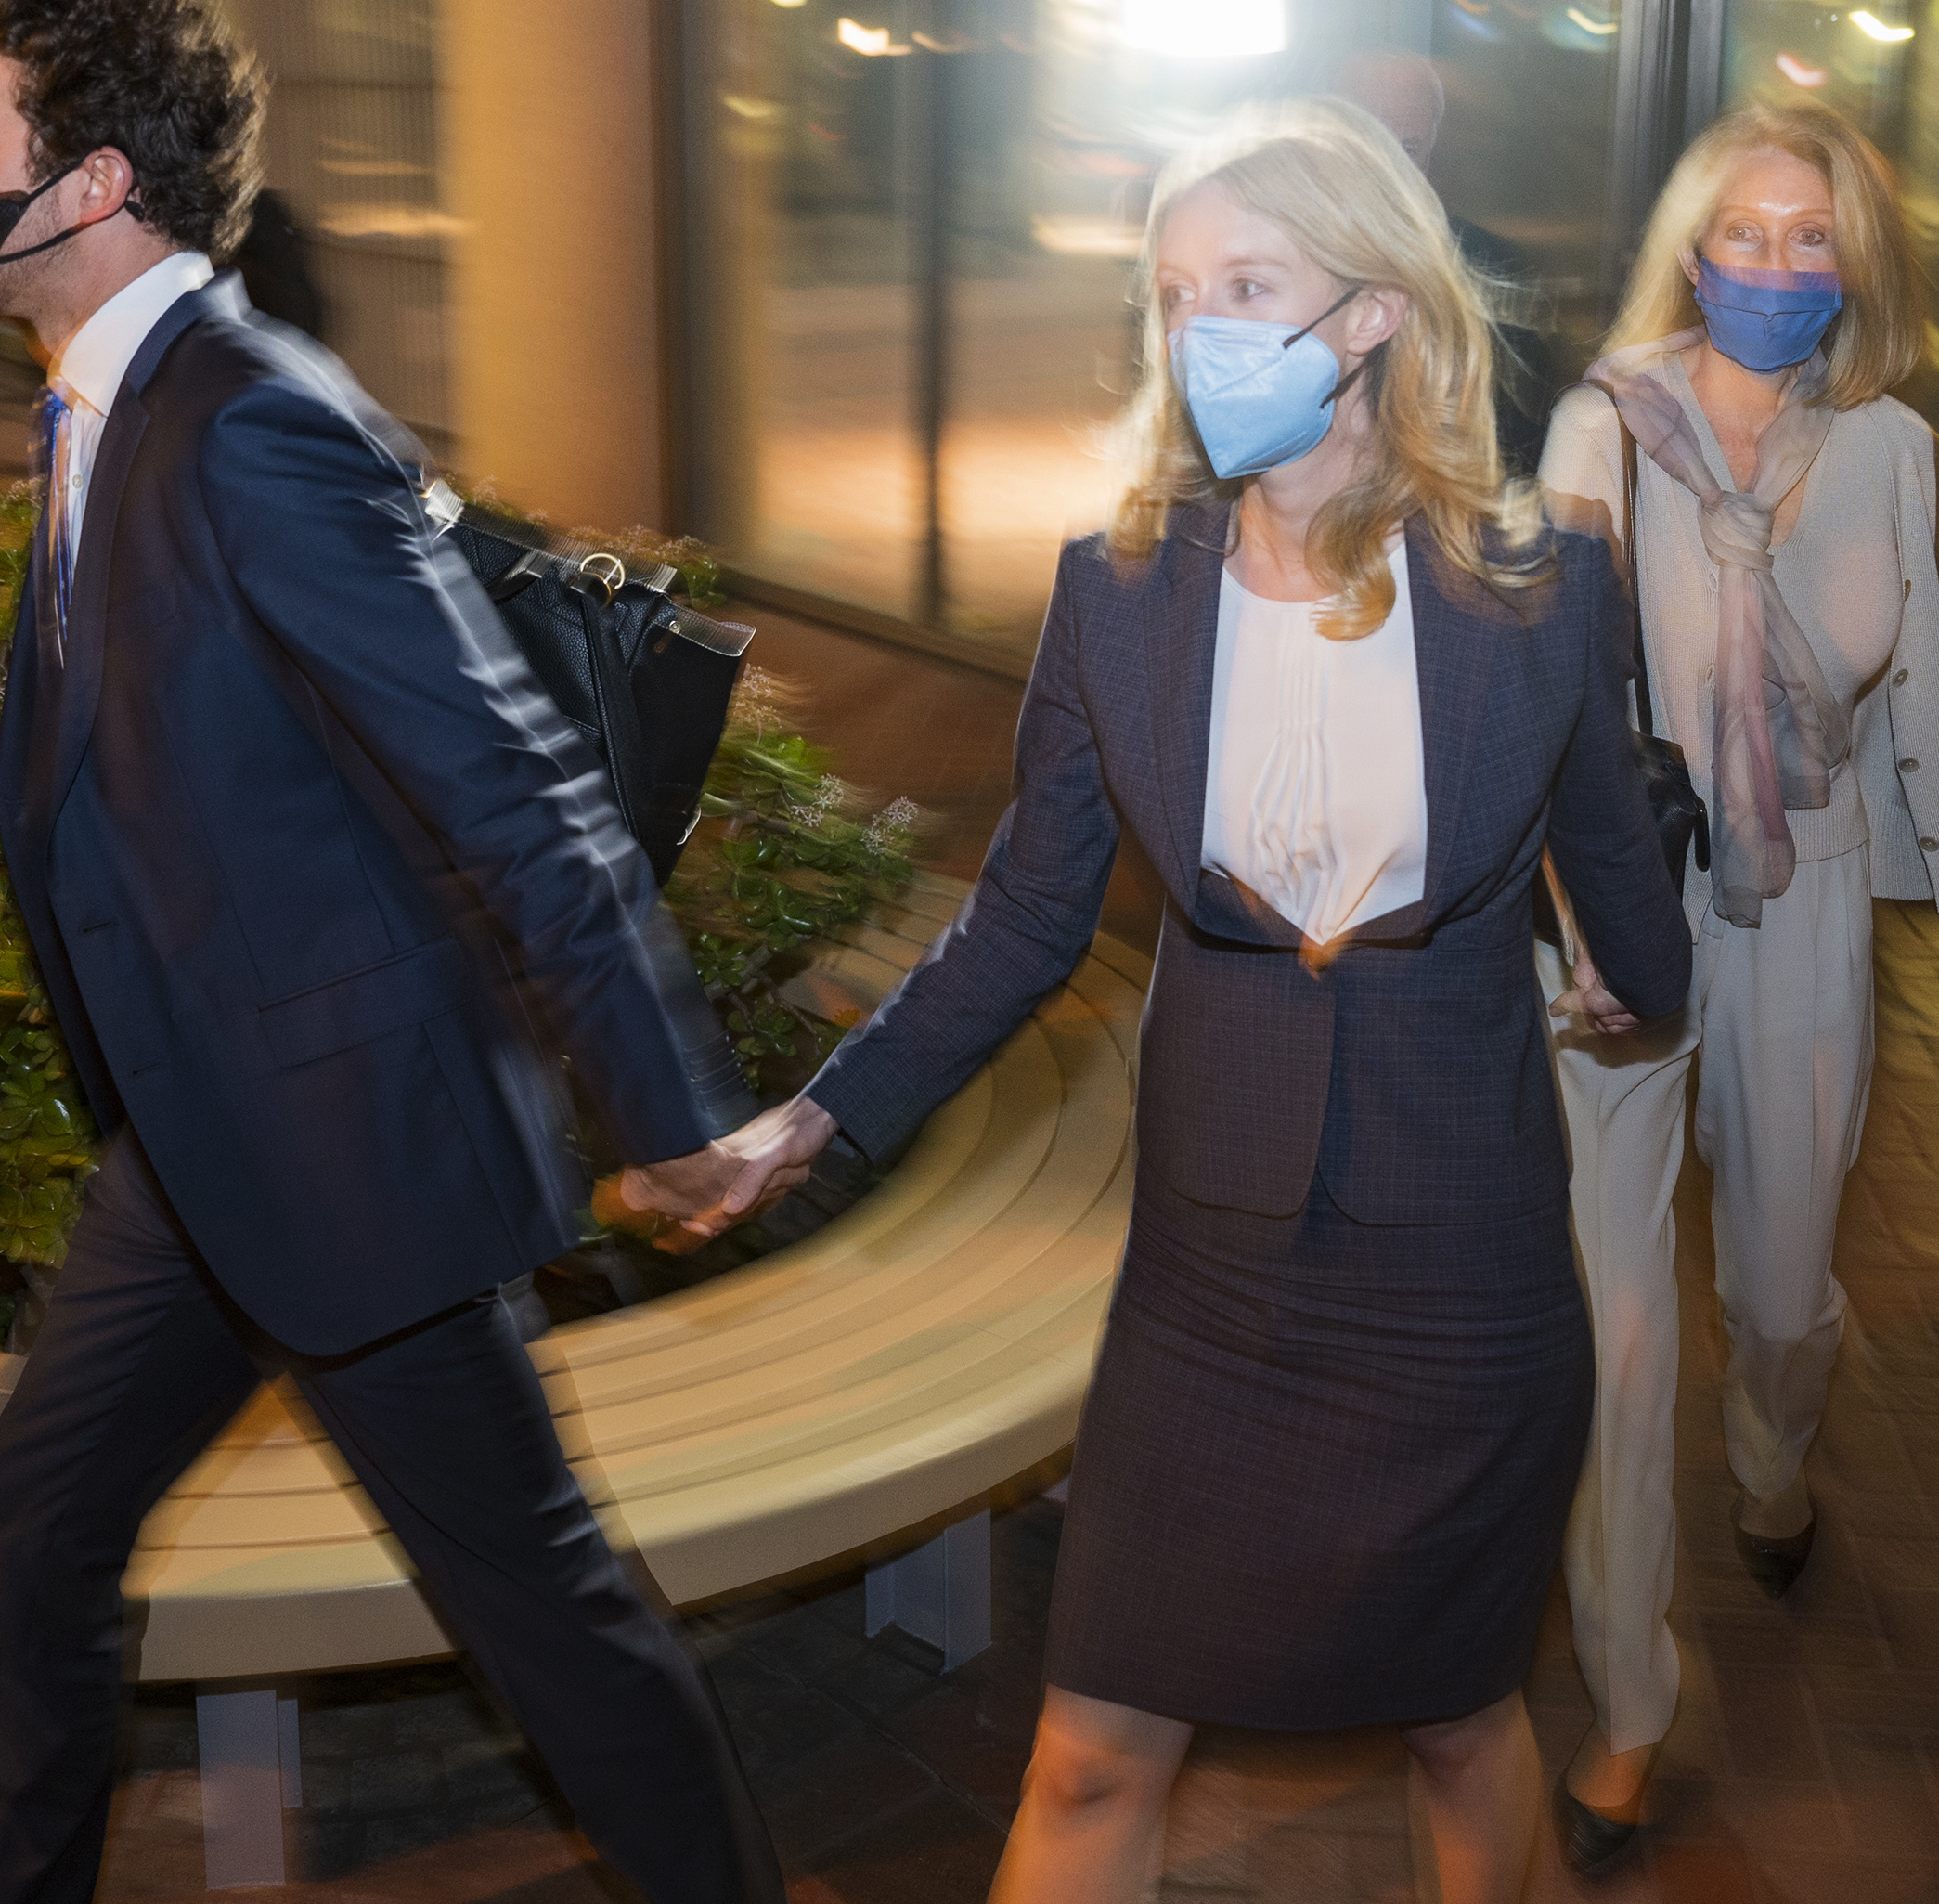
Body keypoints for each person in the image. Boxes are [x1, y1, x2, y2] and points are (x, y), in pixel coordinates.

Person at [637, 96, 1692, 1904]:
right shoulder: (1120, 597)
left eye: (1250, 285)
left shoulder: (1535, 594)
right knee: (1093, 1752)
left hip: (1461, 1272)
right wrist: (808, 1121)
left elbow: (1628, 896)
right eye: (1175, 291)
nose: (1204, 329)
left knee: (1459, 1727)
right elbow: (1020, 925)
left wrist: (1625, 972)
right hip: (1210, 1286)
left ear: (1374, 310)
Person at [0, 0, 782, 1904]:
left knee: (544, 1612)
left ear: (91, 181)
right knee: (29, 1537)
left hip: (345, 1139)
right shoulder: (100, 405)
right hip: (203, 1133)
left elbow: (510, 779)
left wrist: (669, 1104)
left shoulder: (250, 419)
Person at [1530, 100, 1939, 1869]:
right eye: (1744, 232)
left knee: (1782, 1294)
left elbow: (1914, 664)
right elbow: (1553, 678)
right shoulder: (1603, 424)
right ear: (1693, 248)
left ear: (1856, 260)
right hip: (1622, 901)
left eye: (1811, 237)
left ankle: (1779, 1460)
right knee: (1619, 1333)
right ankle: (1629, 1702)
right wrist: (1566, 905)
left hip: (1803, 900)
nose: (1775, 265)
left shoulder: (1891, 448)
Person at [1331, 47, 1561, 477]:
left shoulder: (1487, 267)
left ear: (1432, 150)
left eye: (1410, 148)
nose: (1393, 170)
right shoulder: (1284, 258)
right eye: (1375, 144)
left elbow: (1512, 446)